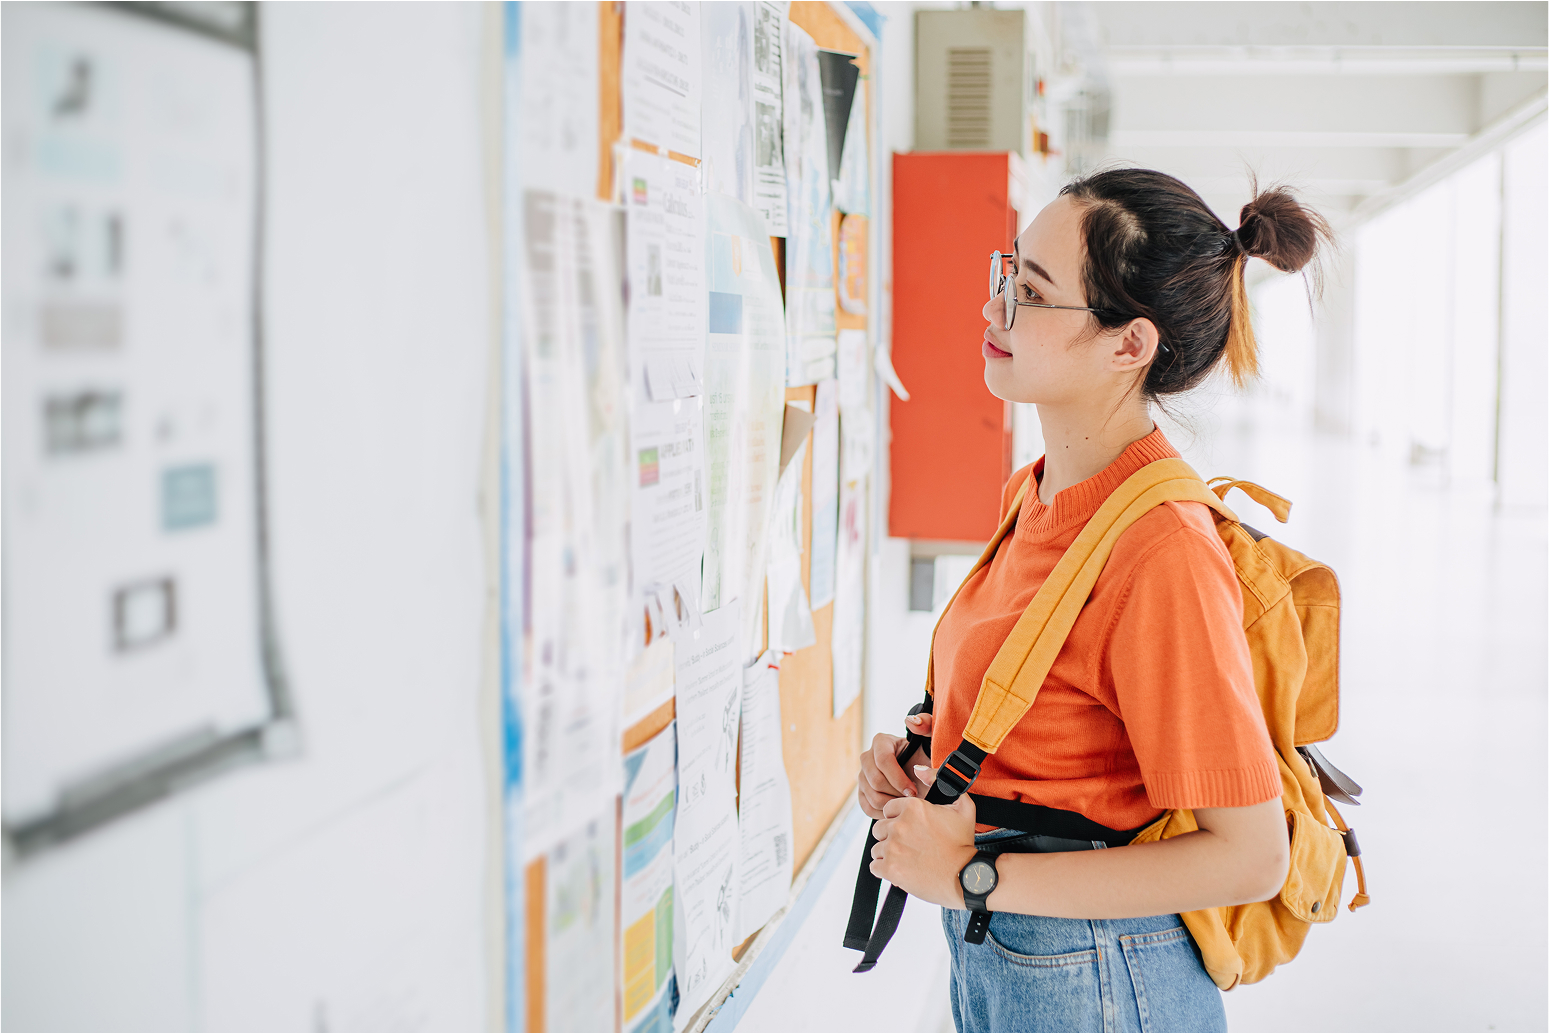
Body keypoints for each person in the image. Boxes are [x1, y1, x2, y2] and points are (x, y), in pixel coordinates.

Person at [856, 169, 1332, 1032]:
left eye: (1033, 294)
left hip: (1100, 977)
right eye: (1006, 274)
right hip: (1016, 951)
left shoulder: (1160, 551)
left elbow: (1249, 855)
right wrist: (927, 768)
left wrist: (970, 874)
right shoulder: (1035, 492)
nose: (995, 310)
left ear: (1127, 345)